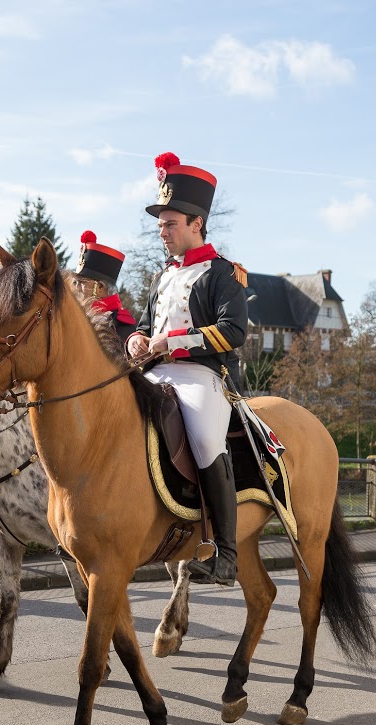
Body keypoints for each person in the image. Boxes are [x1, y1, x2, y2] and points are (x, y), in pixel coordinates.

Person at [127, 152, 248, 587]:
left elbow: (233, 332)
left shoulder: (224, 274)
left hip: (202, 376)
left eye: (169, 223)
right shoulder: (162, 277)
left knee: (203, 437)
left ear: (196, 223)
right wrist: (136, 341)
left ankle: (226, 555)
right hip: (153, 373)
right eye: (160, 224)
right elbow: (142, 327)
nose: (161, 232)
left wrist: (169, 342)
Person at [72, 230, 137, 344]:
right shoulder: (77, 318)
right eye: (75, 283)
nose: (77, 288)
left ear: (100, 287)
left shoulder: (121, 325)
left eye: (81, 283)